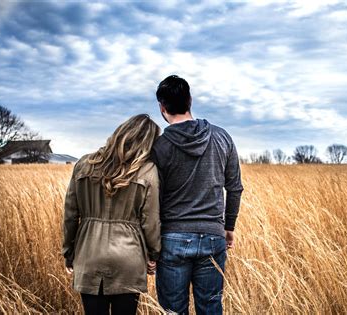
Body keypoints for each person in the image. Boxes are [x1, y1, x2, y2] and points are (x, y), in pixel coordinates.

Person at [151, 75, 244, 315]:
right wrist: (228, 227)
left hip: (172, 239)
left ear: (162, 108)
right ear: (190, 100)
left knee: (172, 312)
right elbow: (234, 187)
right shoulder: (222, 137)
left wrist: (151, 244)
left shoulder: (159, 147)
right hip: (214, 237)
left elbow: (152, 198)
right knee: (211, 308)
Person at [61, 114, 161, 315]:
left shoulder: (83, 164)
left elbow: (70, 215)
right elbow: (150, 221)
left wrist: (68, 252)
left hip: (89, 255)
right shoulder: (148, 171)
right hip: (129, 259)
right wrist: (154, 254)